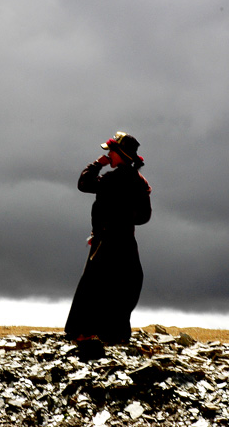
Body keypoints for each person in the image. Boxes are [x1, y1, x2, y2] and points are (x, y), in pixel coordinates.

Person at [64, 131, 152, 344]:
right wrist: (123, 219)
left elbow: (84, 183)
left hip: (107, 241)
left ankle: (82, 332)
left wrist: (98, 163)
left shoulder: (112, 178)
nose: (109, 155)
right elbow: (143, 216)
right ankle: (116, 335)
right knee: (124, 286)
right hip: (126, 242)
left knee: (93, 286)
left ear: (120, 153)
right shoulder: (140, 181)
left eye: (111, 151)